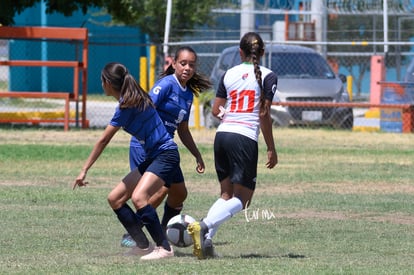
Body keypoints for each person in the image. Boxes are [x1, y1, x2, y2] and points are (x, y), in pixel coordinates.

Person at [73, 62, 179, 260]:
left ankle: (164, 248)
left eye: (101, 81)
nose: (101, 84)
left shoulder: (126, 106)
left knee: (139, 198)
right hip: (155, 157)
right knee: (115, 198)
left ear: (107, 83)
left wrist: (84, 169)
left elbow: (103, 139)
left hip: (166, 155)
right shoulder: (132, 99)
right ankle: (142, 246)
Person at [187, 32, 279, 259]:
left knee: (226, 194)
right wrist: (271, 147)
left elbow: (217, 109)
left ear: (240, 52)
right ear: (263, 53)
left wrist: (231, 116)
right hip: (244, 138)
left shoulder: (229, 74)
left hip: (223, 136)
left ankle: (206, 243)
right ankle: (204, 226)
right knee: (243, 200)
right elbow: (264, 115)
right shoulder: (269, 76)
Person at [119, 46, 212, 248]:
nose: (187, 68)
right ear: (174, 64)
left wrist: (197, 154)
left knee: (179, 193)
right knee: (159, 191)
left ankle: (163, 230)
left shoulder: (188, 94)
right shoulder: (166, 84)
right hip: (146, 147)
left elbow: (183, 129)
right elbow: (145, 108)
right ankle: (133, 232)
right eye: (183, 63)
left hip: (166, 149)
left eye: (192, 64)